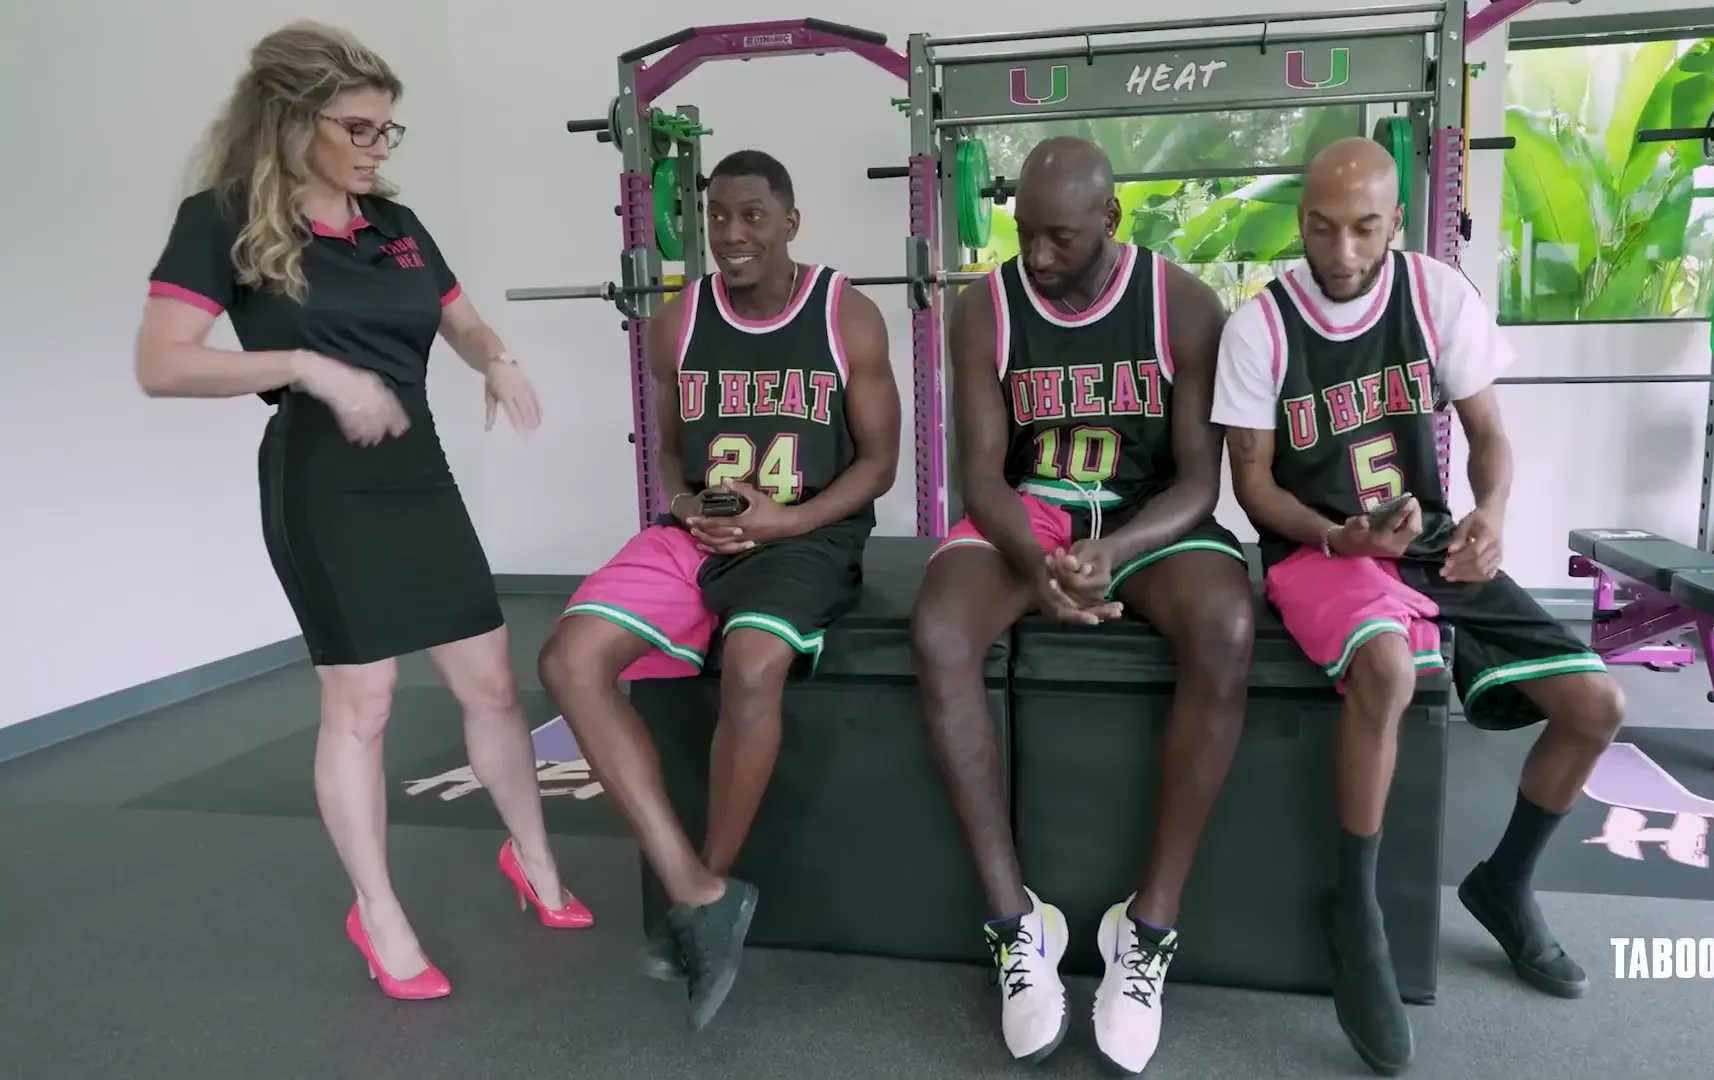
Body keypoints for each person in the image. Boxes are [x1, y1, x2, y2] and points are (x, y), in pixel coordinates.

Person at [134, 22, 591, 1002]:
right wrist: (307, 366)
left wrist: (499, 360)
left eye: (389, 130)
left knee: (493, 687)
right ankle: (377, 912)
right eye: (359, 128)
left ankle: (534, 860)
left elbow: (462, 320)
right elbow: (161, 363)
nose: (378, 148)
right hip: (321, 484)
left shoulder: (396, 223)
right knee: (366, 701)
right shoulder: (222, 220)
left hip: (419, 475)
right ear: (292, 120)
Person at [1211, 137, 1627, 1076]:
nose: (1343, 251)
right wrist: (1337, 537)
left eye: (1365, 228)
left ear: (1396, 221)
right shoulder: (1260, 327)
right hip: (1316, 550)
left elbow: (1488, 434)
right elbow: (1253, 485)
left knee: (1597, 705)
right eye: (1322, 228)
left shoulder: (1436, 295)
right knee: (1390, 669)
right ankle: (1356, 913)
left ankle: (1505, 884)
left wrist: (1492, 514)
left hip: (1430, 540)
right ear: (1300, 221)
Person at [536, 149, 899, 1031]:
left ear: (790, 222)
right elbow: (668, 451)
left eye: (751, 216)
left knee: (752, 665)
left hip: (804, 531)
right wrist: (685, 502)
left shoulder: (845, 315)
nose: (732, 235)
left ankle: (712, 878)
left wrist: (786, 522)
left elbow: (880, 465)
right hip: (699, 531)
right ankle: (697, 890)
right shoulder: (676, 322)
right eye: (718, 219)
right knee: (568, 662)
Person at [910, 137, 1252, 1075]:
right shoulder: (986, 308)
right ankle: (1014, 924)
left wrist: (1117, 551)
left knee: (1227, 628)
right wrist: (1037, 563)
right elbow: (981, 475)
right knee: (938, 631)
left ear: (1110, 218)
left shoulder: (1182, 304)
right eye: (1024, 232)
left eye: (1059, 237)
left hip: (1147, 519)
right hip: (1035, 515)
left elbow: (1200, 481)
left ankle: (1149, 929)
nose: (1037, 254)